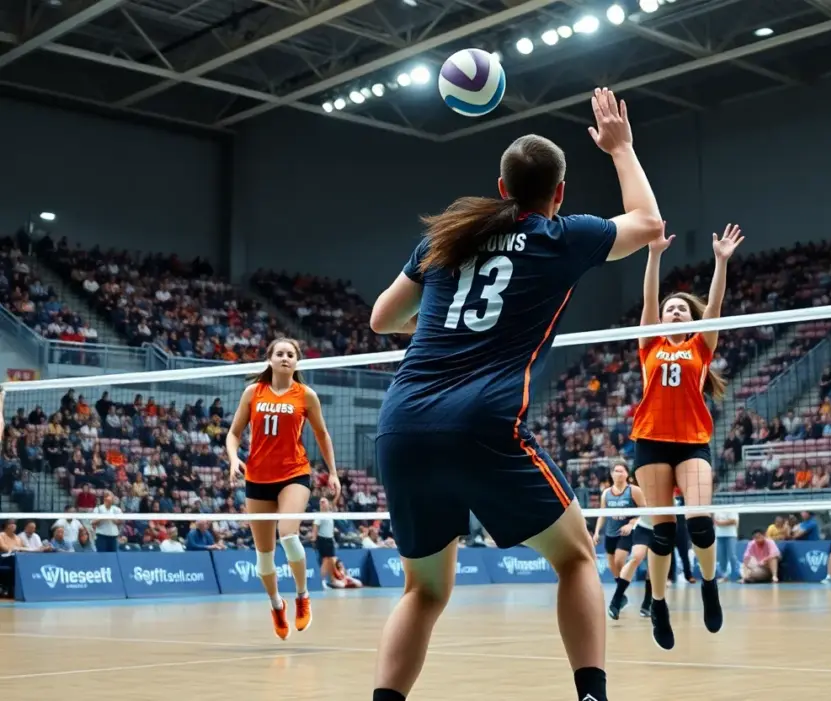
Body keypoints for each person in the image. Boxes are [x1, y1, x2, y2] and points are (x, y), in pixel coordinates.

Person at [367, 87, 664, 701]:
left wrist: (439, 321)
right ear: (559, 194)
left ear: (501, 188)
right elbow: (648, 223)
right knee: (575, 557)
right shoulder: (561, 237)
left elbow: (382, 319)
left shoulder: (447, 238)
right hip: (482, 422)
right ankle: (592, 696)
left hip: (403, 421)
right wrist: (621, 148)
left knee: (424, 591)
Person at [631, 220, 744, 650]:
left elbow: (715, 306)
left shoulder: (700, 345)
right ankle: (659, 604)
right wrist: (653, 255)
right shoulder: (649, 344)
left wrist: (721, 262)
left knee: (699, 522)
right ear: (660, 319)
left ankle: (709, 586)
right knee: (662, 533)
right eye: (670, 308)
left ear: (691, 318)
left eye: (682, 308)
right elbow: (648, 298)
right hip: (651, 441)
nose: (675, 311)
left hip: (692, 441)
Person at [227, 337, 340, 640]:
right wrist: (233, 459)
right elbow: (234, 433)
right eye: (280, 353)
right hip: (257, 478)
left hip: (294, 474)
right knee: (264, 556)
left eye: (291, 354)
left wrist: (332, 472)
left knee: (288, 534)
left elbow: (323, 434)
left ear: (296, 361)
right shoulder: (253, 392)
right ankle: (277, 605)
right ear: (270, 359)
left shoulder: (306, 395)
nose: (285, 358)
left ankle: (303, 596)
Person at [591, 464, 647, 620]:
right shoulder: (606, 493)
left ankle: (620, 593)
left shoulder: (634, 490)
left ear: (627, 474)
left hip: (627, 532)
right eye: (615, 471)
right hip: (610, 533)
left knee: (619, 560)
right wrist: (597, 532)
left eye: (621, 471)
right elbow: (602, 514)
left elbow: (644, 510)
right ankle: (622, 595)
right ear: (611, 474)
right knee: (612, 566)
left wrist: (631, 523)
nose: (618, 473)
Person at [607, 513, 654, 620]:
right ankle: (616, 601)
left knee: (653, 565)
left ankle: (647, 604)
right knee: (637, 556)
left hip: (664, 528)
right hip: (644, 527)